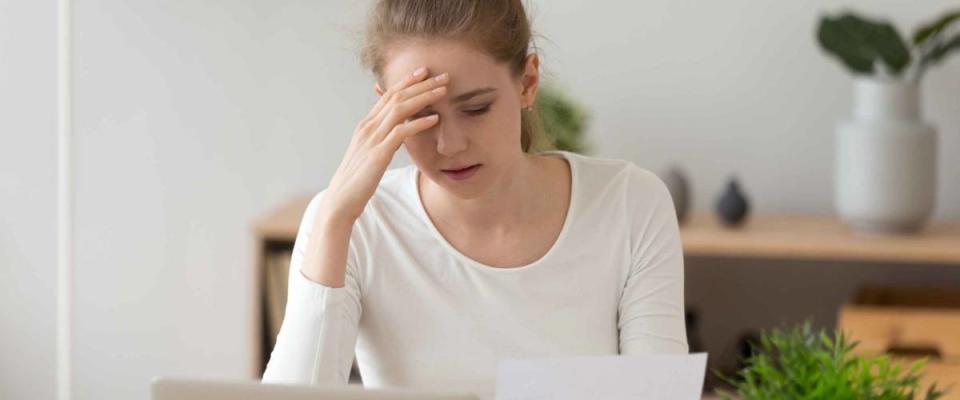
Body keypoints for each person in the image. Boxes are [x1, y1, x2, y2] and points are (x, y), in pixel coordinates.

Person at [261, 0, 688, 398]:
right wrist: (335, 218)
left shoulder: (631, 205)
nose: (448, 144)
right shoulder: (354, 225)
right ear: (383, 109)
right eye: (419, 115)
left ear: (528, 82)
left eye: (476, 108)